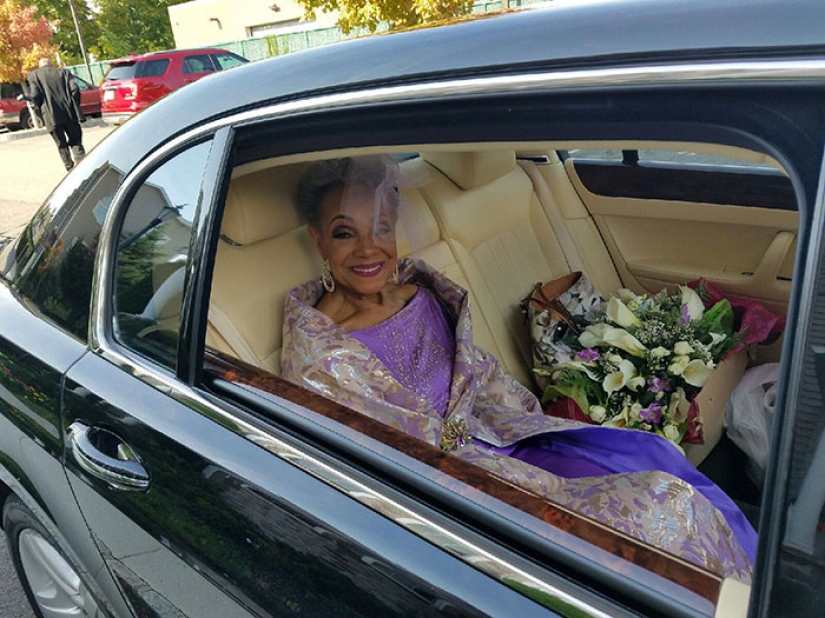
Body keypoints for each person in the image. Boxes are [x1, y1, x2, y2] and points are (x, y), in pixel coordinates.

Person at [281, 155, 757, 581]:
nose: (369, 249)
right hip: (457, 485)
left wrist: (523, 420)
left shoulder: (418, 294)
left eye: (381, 228)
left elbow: (478, 373)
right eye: (345, 232)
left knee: (659, 474)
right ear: (318, 240)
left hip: (504, 434)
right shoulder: (320, 353)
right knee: (643, 522)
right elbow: (368, 459)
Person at [19, 58, 86, 171]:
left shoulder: (34, 75)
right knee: (76, 140)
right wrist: (75, 105)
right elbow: (74, 89)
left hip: (50, 115)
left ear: (40, 66)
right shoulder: (64, 72)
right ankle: (82, 164)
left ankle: (69, 167)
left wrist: (40, 107)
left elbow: (35, 94)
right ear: (52, 64)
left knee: (61, 143)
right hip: (69, 112)